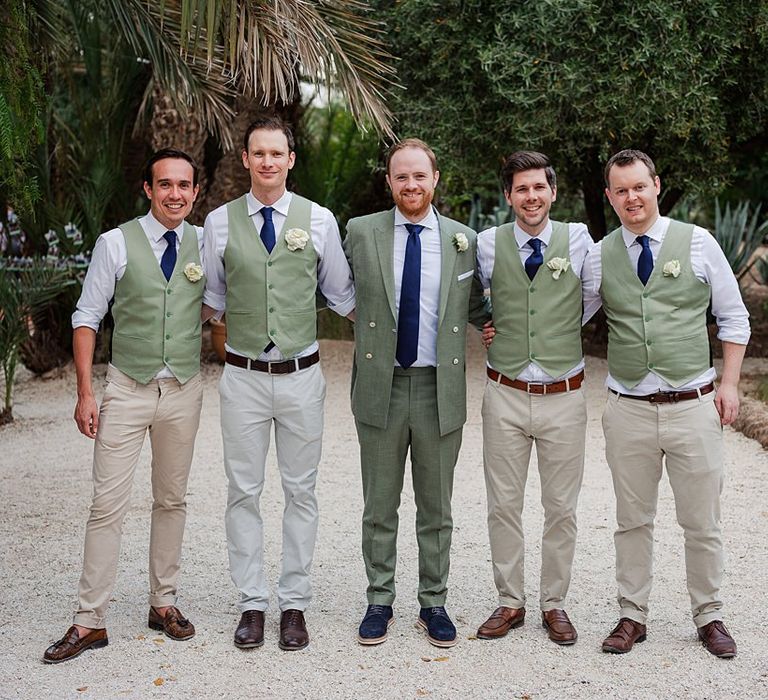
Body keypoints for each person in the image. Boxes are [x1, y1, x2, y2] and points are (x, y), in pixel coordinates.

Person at [582, 148, 749, 658]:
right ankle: (632, 615)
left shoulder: (697, 243)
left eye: (640, 186)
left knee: (702, 520)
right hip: (628, 406)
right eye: (621, 190)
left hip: (693, 403)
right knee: (632, 519)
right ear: (609, 197)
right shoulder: (599, 254)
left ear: (657, 185)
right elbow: (569, 317)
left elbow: (734, 316)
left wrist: (731, 384)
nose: (632, 197)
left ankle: (710, 614)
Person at [43, 149, 205, 664]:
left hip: (184, 390)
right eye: (165, 185)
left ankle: (164, 604)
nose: (175, 194)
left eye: (184, 185)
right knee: (106, 504)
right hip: (127, 389)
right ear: (147, 189)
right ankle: (89, 621)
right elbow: (87, 316)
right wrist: (86, 392)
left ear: (195, 192)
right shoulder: (115, 243)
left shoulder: (207, 243)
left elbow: (221, 302)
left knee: (172, 499)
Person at [202, 115, 355, 651]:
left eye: (277, 153)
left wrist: (411, 334)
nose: (267, 162)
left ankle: (294, 604)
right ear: (245, 159)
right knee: (243, 492)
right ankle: (251, 603)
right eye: (258, 153)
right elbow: (212, 300)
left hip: (301, 375)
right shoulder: (218, 224)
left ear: (291, 159)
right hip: (242, 376)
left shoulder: (319, 221)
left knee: (301, 491)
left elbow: (343, 295)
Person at [344, 138, 486, 648]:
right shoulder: (361, 232)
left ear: (435, 179)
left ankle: (434, 602)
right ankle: (379, 600)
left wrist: (491, 327)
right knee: (379, 504)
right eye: (401, 177)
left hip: (437, 389)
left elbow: (477, 305)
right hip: (380, 386)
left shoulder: (463, 239)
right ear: (389, 182)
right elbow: (332, 284)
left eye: (419, 176)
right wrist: (366, 328)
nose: (411, 185)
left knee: (437, 505)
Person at [474, 151, 594, 645]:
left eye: (539, 188)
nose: (531, 197)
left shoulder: (581, 240)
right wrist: (486, 323)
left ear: (553, 192)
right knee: (503, 504)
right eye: (521, 189)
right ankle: (509, 601)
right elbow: (474, 295)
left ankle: (555, 603)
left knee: (560, 506)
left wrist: (555, 329)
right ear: (509, 196)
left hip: (564, 392)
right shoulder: (485, 244)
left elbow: (591, 298)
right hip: (504, 390)